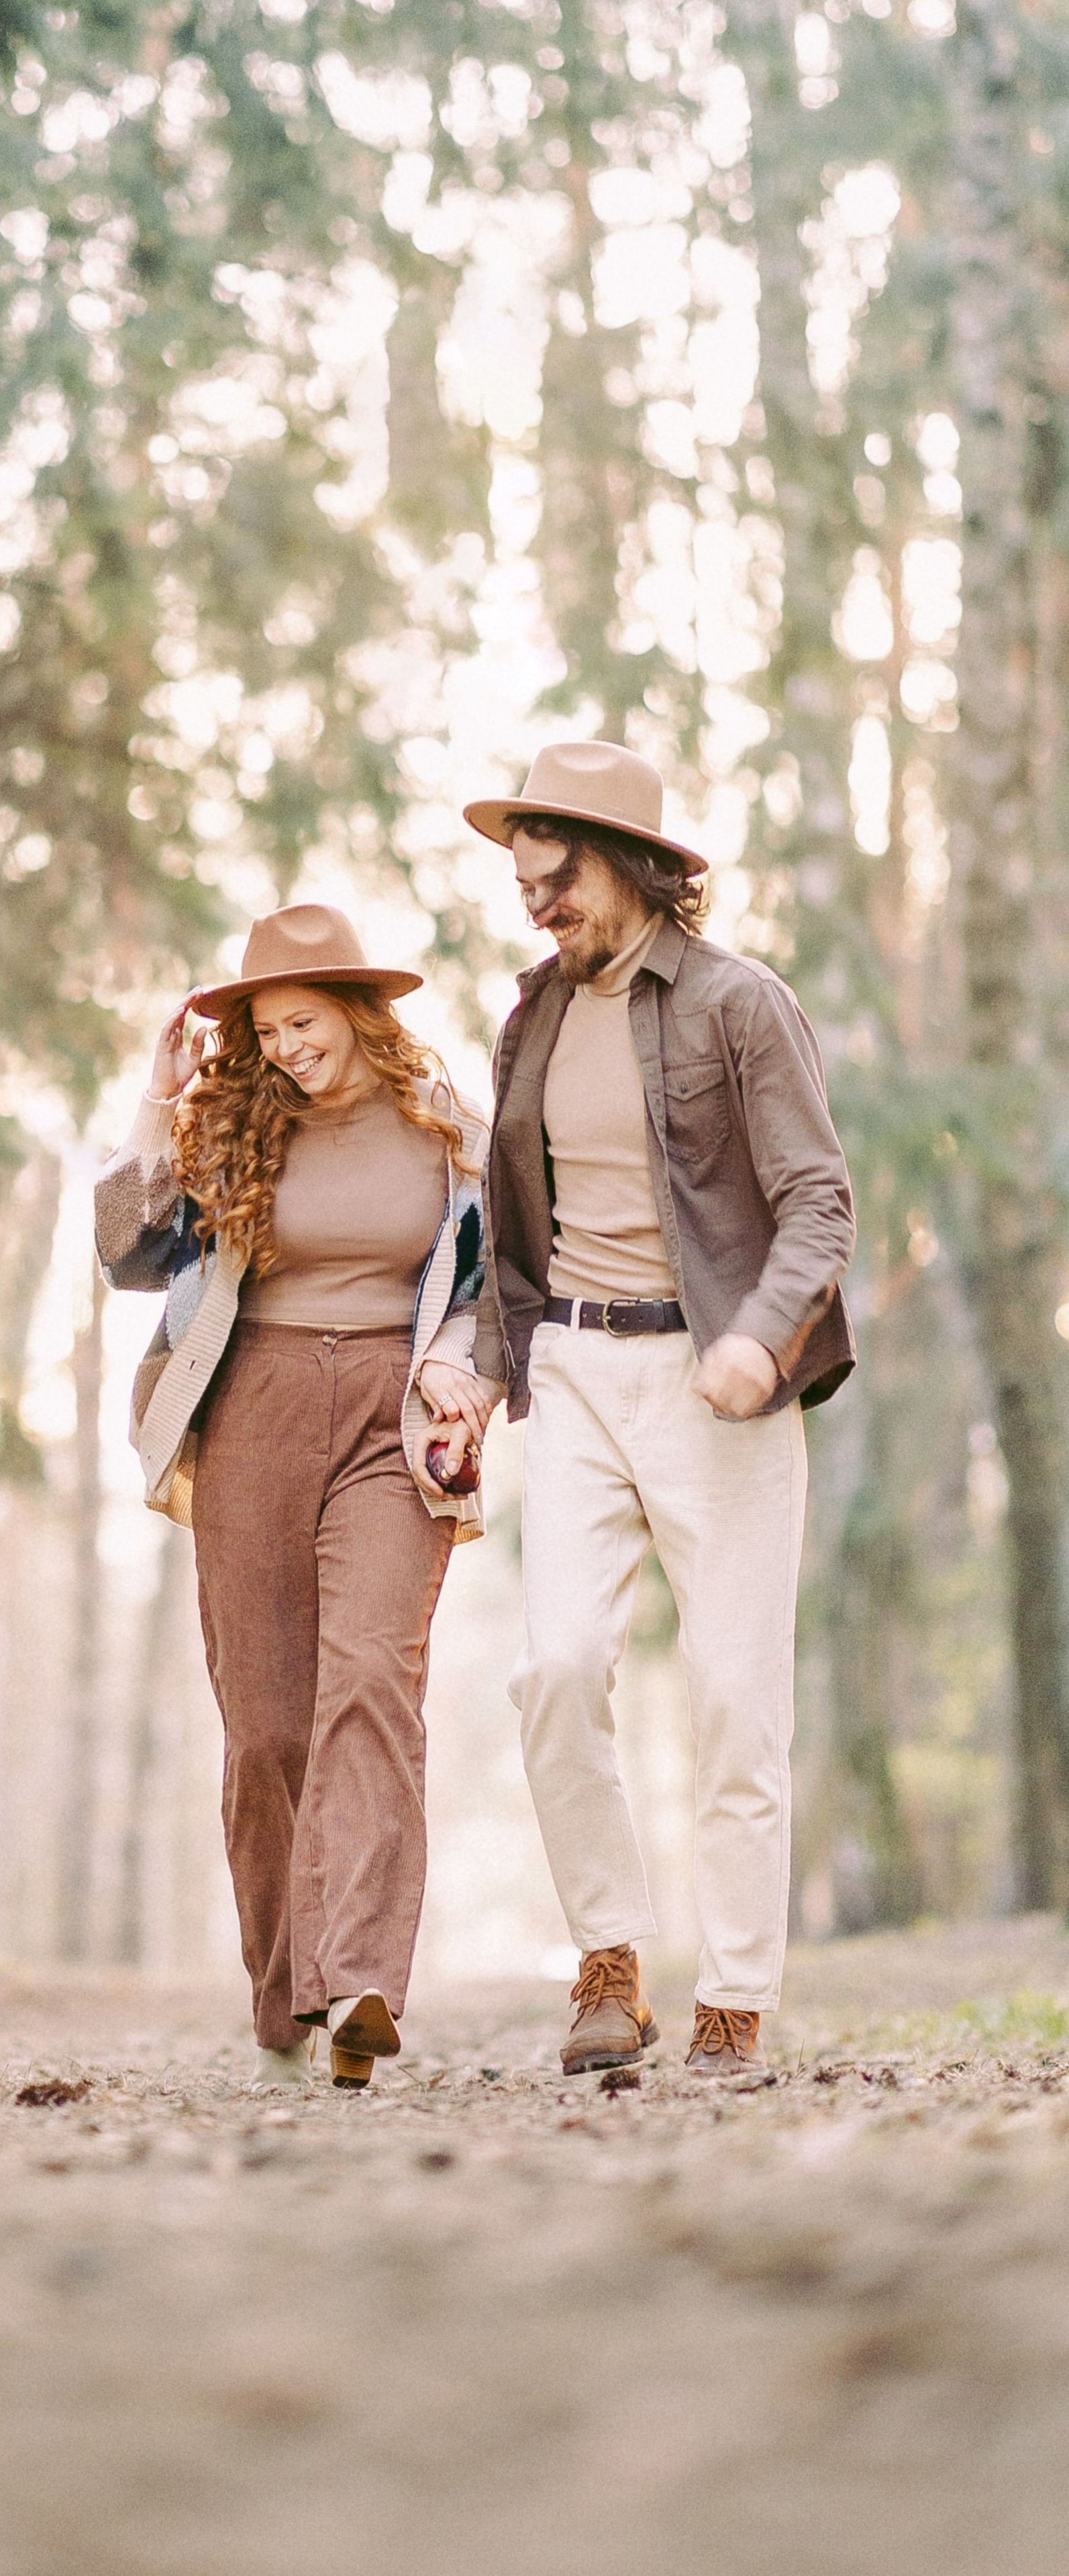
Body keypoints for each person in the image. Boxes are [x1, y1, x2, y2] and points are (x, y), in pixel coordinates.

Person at [464, 741, 855, 2079]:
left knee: (734, 1699)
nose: (535, 899)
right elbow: (506, 1233)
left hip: (716, 1384)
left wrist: (757, 1339)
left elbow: (818, 1200)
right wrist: (468, 1369)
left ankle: (734, 2001)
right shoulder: (527, 1019)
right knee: (554, 1666)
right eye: (521, 881)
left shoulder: (738, 1005)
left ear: (631, 862)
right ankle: (609, 1962)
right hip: (572, 1371)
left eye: (555, 874)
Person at [95, 903, 495, 2091]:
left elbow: (496, 1282)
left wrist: (463, 1369)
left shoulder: (450, 1137)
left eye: (304, 1023)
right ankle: (284, 2000)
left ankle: (361, 1984)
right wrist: (158, 1106)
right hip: (251, 1411)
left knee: (373, 1679)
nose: (284, 1048)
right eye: (265, 1030)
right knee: (267, 1727)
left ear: (361, 1017)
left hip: (394, 1417)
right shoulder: (230, 1128)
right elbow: (126, 1255)